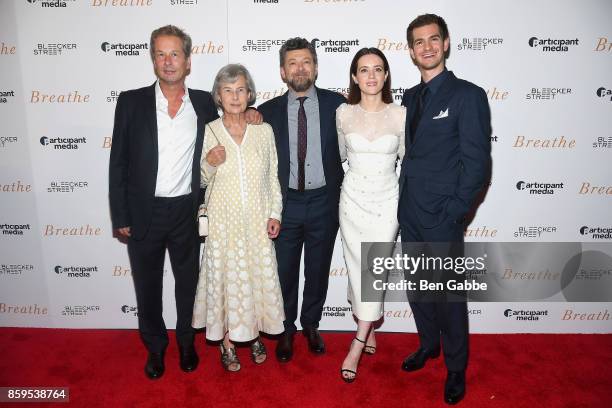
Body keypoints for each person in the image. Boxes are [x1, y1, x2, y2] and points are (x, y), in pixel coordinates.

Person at [108, 25, 260, 380]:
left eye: (175, 53)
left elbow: (235, 114)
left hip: (187, 212)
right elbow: (118, 162)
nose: (168, 61)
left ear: (188, 61)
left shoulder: (206, 104)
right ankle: (156, 349)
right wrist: (121, 214)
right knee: (147, 287)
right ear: (153, 59)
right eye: (161, 54)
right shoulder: (131, 102)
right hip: (143, 211)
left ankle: (187, 344)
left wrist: (254, 112)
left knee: (189, 285)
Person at [398, 14, 491, 404]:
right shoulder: (411, 97)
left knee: (449, 297)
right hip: (410, 213)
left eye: (433, 39)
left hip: (442, 216)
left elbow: (477, 163)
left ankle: (455, 367)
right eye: (419, 42)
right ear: (411, 51)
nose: (427, 47)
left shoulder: (468, 95)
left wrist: (456, 211)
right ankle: (427, 345)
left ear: (447, 43)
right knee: (419, 290)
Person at [192, 64, 285, 372]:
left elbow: (273, 176)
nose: (234, 97)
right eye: (228, 91)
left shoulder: (263, 130)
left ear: (249, 94)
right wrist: (208, 162)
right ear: (219, 95)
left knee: (254, 279)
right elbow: (200, 182)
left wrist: (275, 213)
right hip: (223, 223)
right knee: (227, 282)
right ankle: (228, 342)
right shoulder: (208, 131)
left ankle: (254, 333)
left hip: (257, 221)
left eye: (241, 90)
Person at [258, 37, 346, 362]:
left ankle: (311, 325)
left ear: (316, 68)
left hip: (325, 201)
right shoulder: (265, 113)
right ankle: (286, 330)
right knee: (284, 272)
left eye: (306, 62)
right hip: (285, 205)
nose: (300, 68)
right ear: (282, 71)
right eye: (293, 63)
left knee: (319, 269)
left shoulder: (339, 106)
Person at [336, 47, 405, 383]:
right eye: (364, 70)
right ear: (354, 77)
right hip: (351, 202)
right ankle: (369, 325)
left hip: (387, 203)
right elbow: (338, 155)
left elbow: (407, 160)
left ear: (386, 74)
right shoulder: (343, 114)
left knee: (373, 268)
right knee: (355, 268)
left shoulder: (401, 114)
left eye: (378, 69)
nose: (372, 76)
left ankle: (358, 343)